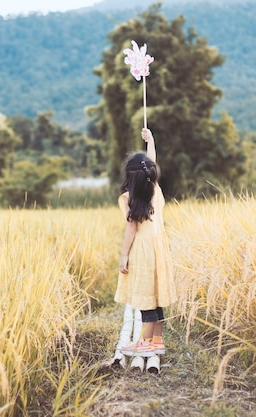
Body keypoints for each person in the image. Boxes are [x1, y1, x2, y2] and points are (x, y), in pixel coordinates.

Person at [116, 127, 177, 358]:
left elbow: (131, 229)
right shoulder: (155, 189)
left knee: (145, 298)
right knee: (156, 294)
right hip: (159, 249)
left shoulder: (128, 199)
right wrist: (151, 140)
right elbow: (149, 164)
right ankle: (157, 341)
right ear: (150, 176)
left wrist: (124, 256)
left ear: (129, 177)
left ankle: (144, 343)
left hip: (142, 251)